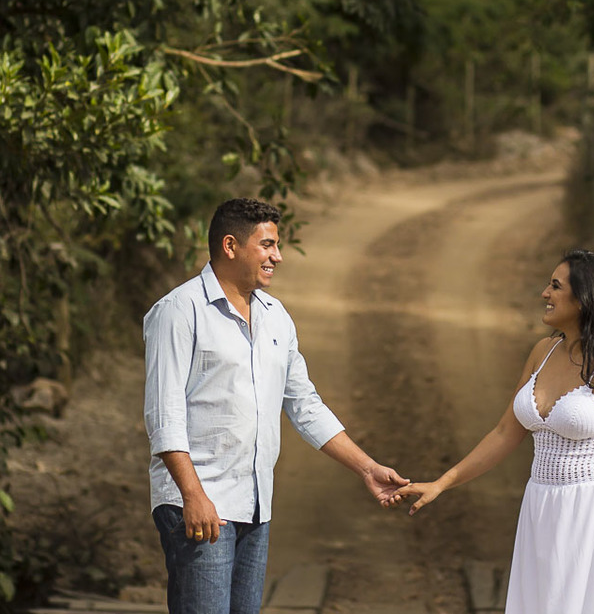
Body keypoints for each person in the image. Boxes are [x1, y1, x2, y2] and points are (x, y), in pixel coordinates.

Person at [143, 198, 407, 614]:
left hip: (255, 505)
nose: (277, 257)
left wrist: (367, 468)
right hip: (198, 503)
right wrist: (192, 494)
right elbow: (164, 415)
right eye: (267, 245)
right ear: (230, 246)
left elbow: (305, 405)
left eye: (276, 246)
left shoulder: (276, 317)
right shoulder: (179, 311)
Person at [397, 249, 594, 613]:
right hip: (541, 508)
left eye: (555, 286)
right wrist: (441, 483)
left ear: (584, 299)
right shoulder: (541, 351)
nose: (545, 293)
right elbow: (504, 432)